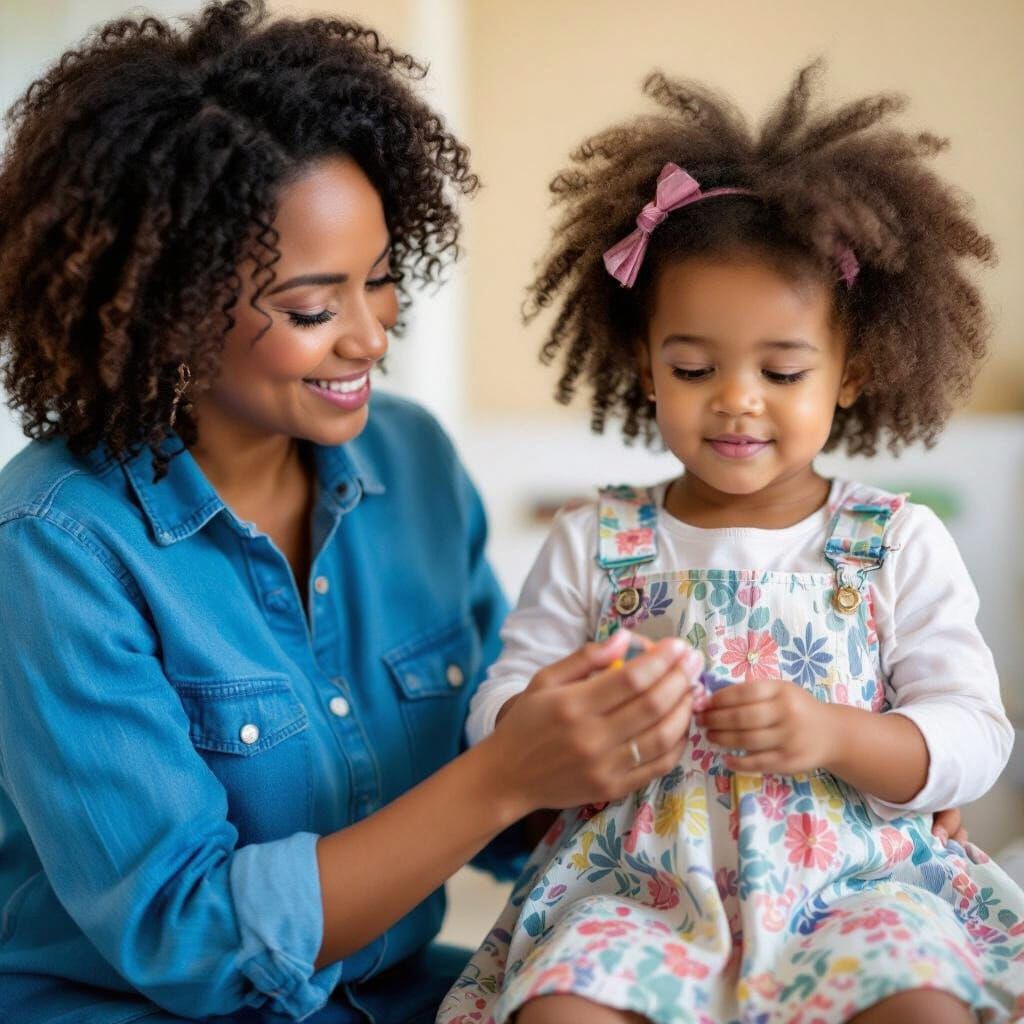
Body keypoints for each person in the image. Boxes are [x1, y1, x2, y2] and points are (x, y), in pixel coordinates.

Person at [0, 3, 717, 1022]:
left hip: (390, 992)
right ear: (169, 306)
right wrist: (505, 775)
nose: (371, 336)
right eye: (312, 307)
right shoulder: (54, 545)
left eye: (379, 280)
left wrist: (673, 756)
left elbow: (510, 808)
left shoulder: (408, 460)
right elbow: (188, 935)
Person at [438, 66, 1024, 1024]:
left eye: (782, 371)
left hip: (854, 884)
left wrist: (839, 735)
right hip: (637, 885)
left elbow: (974, 732)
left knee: (924, 1003)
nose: (737, 399)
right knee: (559, 1008)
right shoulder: (595, 540)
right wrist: (552, 720)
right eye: (693, 367)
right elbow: (501, 704)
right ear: (645, 366)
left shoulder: (893, 541)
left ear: (849, 372)